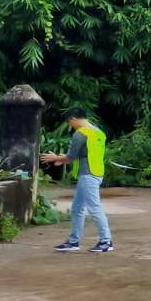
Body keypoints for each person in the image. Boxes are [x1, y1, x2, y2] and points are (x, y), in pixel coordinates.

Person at [46, 108, 113, 254]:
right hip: (96, 173)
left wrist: (56, 158)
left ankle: (106, 241)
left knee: (94, 208)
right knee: (77, 208)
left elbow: (71, 156)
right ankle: (74, 241)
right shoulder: (98, 132)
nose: (71, 125)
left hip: (87, 175)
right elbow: (84, 154)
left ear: (73, 119)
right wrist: (62, 159)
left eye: (70, 122)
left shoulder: (80, 133)